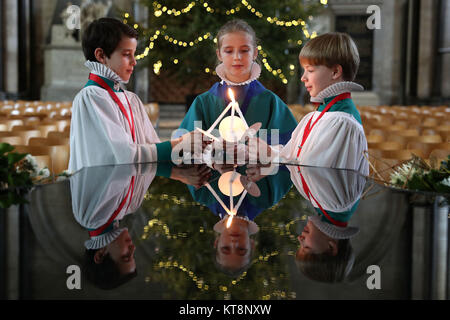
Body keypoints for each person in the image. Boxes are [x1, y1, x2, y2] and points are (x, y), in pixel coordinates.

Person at [69, 18, 201, 172]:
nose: (134, 62)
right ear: (101, 55)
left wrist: (182, 170)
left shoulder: (131, 99)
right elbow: (123, 156)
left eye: (134, 54)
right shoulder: (91, 97)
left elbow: (153, 149)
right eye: (126, 54)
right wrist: (180, 143)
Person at [177, 19, 297, 162]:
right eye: (228, 51)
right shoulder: (203, 103)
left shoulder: (270, 102)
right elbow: (183, 151)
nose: (237, 57)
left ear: (255, 53)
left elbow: (292, 151)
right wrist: (211, 153)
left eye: (244, 50)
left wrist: (267, 151)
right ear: (219, 54)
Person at [280, 32, 369, 174]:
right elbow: (292, 155)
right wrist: (265, 153)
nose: (303, 78)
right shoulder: (321, 114)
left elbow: (312, 170)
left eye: (310, 70)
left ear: (335, 72)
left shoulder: (342, 121)